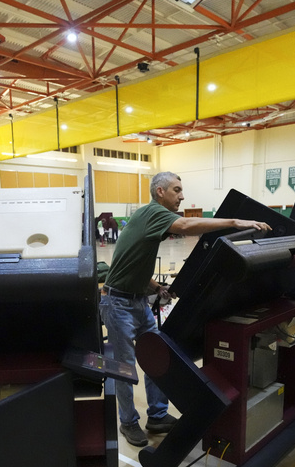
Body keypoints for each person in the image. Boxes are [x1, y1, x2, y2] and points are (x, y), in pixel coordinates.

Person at [100, 172, 272, 447]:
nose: (182, 196)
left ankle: (157, 416)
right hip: (117, 303)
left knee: (157, 355)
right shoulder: (153, 212)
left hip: (137, 300)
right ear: (159, 192)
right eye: (176, 190)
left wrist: (156, 288)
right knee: (125, 367)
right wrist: (234, 222)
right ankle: (128, 422)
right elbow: (185, 224)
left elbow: (132, 264)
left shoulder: (150, 219)